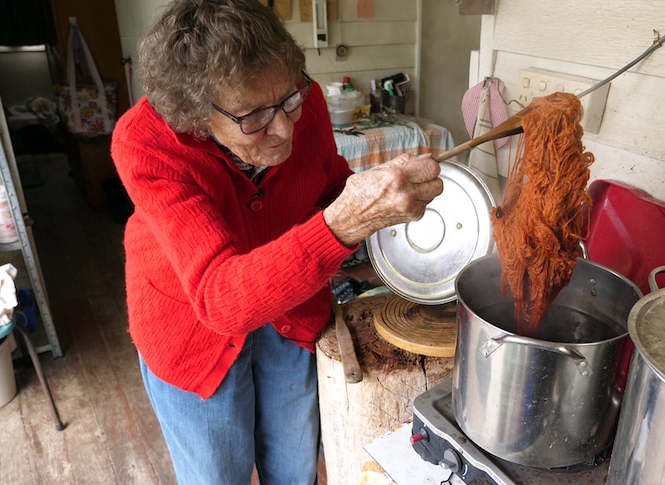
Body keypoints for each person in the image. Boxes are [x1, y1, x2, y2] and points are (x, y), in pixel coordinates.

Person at [109, 0, 443, 483]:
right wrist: (345, 223)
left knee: (295, 469)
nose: (285, 127)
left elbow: (328, 183)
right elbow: (220, 298)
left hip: (292, 312)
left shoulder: (296, 100)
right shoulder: (146, 141)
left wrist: (382, 197)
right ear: (195, 115)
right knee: (216, 475)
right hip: (191, 329)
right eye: (254, 118)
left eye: (291, 99)